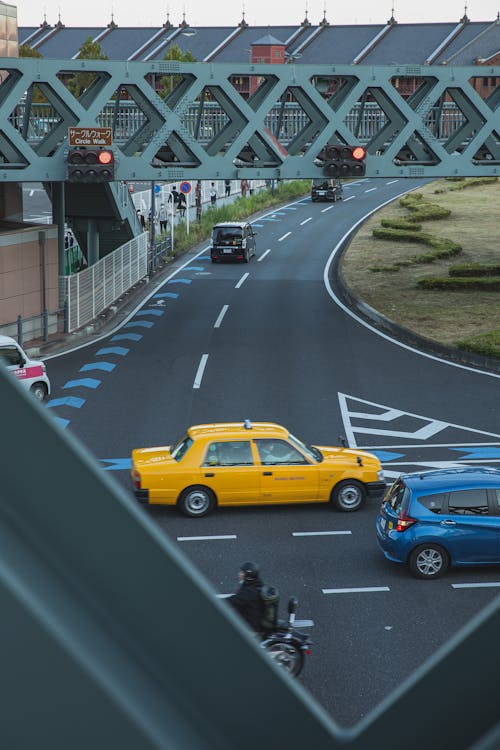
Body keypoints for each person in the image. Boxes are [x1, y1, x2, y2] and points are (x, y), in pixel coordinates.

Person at [228, 562, 264, 633]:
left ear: (248, 575)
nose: (239, 574)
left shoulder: (249, 591)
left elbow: (233, 601)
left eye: (242, 572)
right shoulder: (256, 586)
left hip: (250, 628)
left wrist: (216, 601)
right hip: (254, 624)